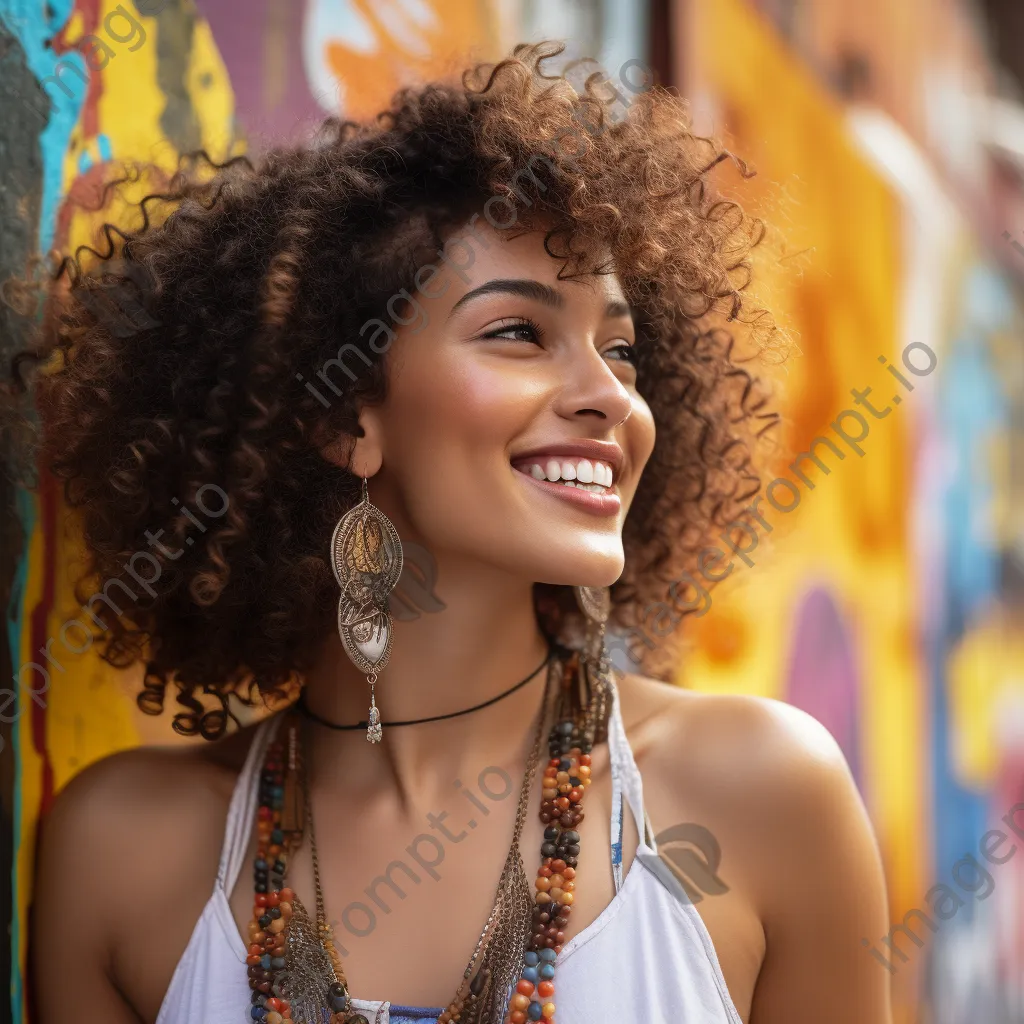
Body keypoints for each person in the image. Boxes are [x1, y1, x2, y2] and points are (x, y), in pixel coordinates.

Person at [16, 42, 892, 1024]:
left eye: (620, 349)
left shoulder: (764, 795)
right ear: (348, 418)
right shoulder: (124, 849)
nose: (610, 398)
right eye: (518, 332)